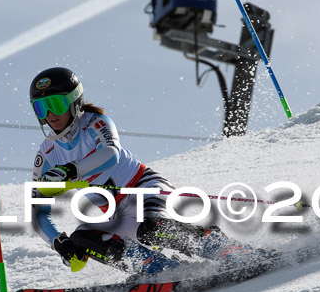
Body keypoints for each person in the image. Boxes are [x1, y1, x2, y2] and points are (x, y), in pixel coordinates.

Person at [28, 67, 254, 276]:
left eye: (56, 104)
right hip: (119, 214)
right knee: (81, 238)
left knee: (152, 229)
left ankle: (220, 247)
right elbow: (37, 210)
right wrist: (59, 242)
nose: (49, 114)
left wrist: (71, 170)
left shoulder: (95, 123)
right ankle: (161, 270)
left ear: (74, 101)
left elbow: (110, 154)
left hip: (146, 188)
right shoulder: (47, 155)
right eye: (41, 107)